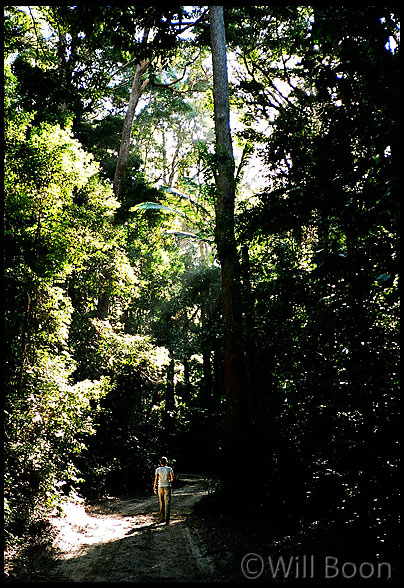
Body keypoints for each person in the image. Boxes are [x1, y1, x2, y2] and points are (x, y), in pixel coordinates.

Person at [153, 456, 174, 524]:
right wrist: (169, 481)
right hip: (167, 486)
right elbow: (172, 478)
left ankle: (161, 519)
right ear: (166, 462)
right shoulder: (169, 469)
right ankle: (167, 519)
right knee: (167, 503)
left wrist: (154, 487)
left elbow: (156, 479)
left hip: (160, 486)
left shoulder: (158, 469)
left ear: (160, 462)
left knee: (161, 503)